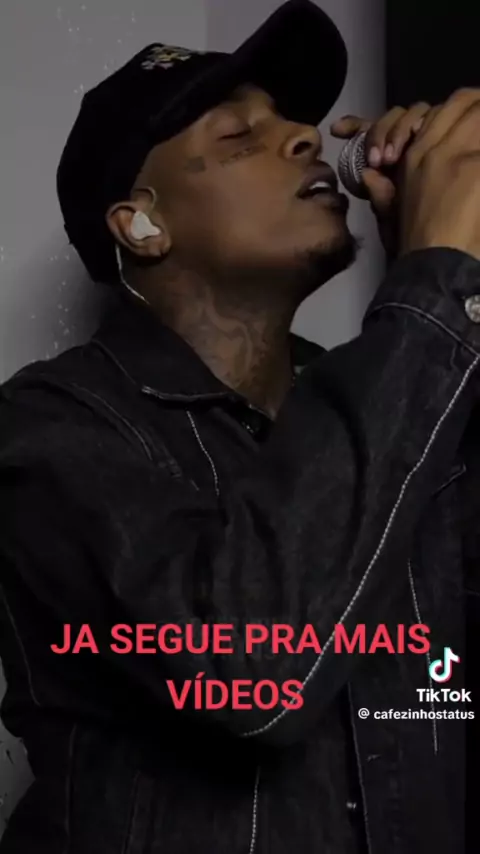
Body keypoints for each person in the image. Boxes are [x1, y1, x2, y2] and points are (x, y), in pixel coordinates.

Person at [0, 0, 480, 851]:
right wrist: (433, 289)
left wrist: (444, 284)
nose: (301, 137)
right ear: (142, 224)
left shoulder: (398, 398)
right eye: (237, 137)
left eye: (292, 121)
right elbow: (249, 674)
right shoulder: (46, 430)